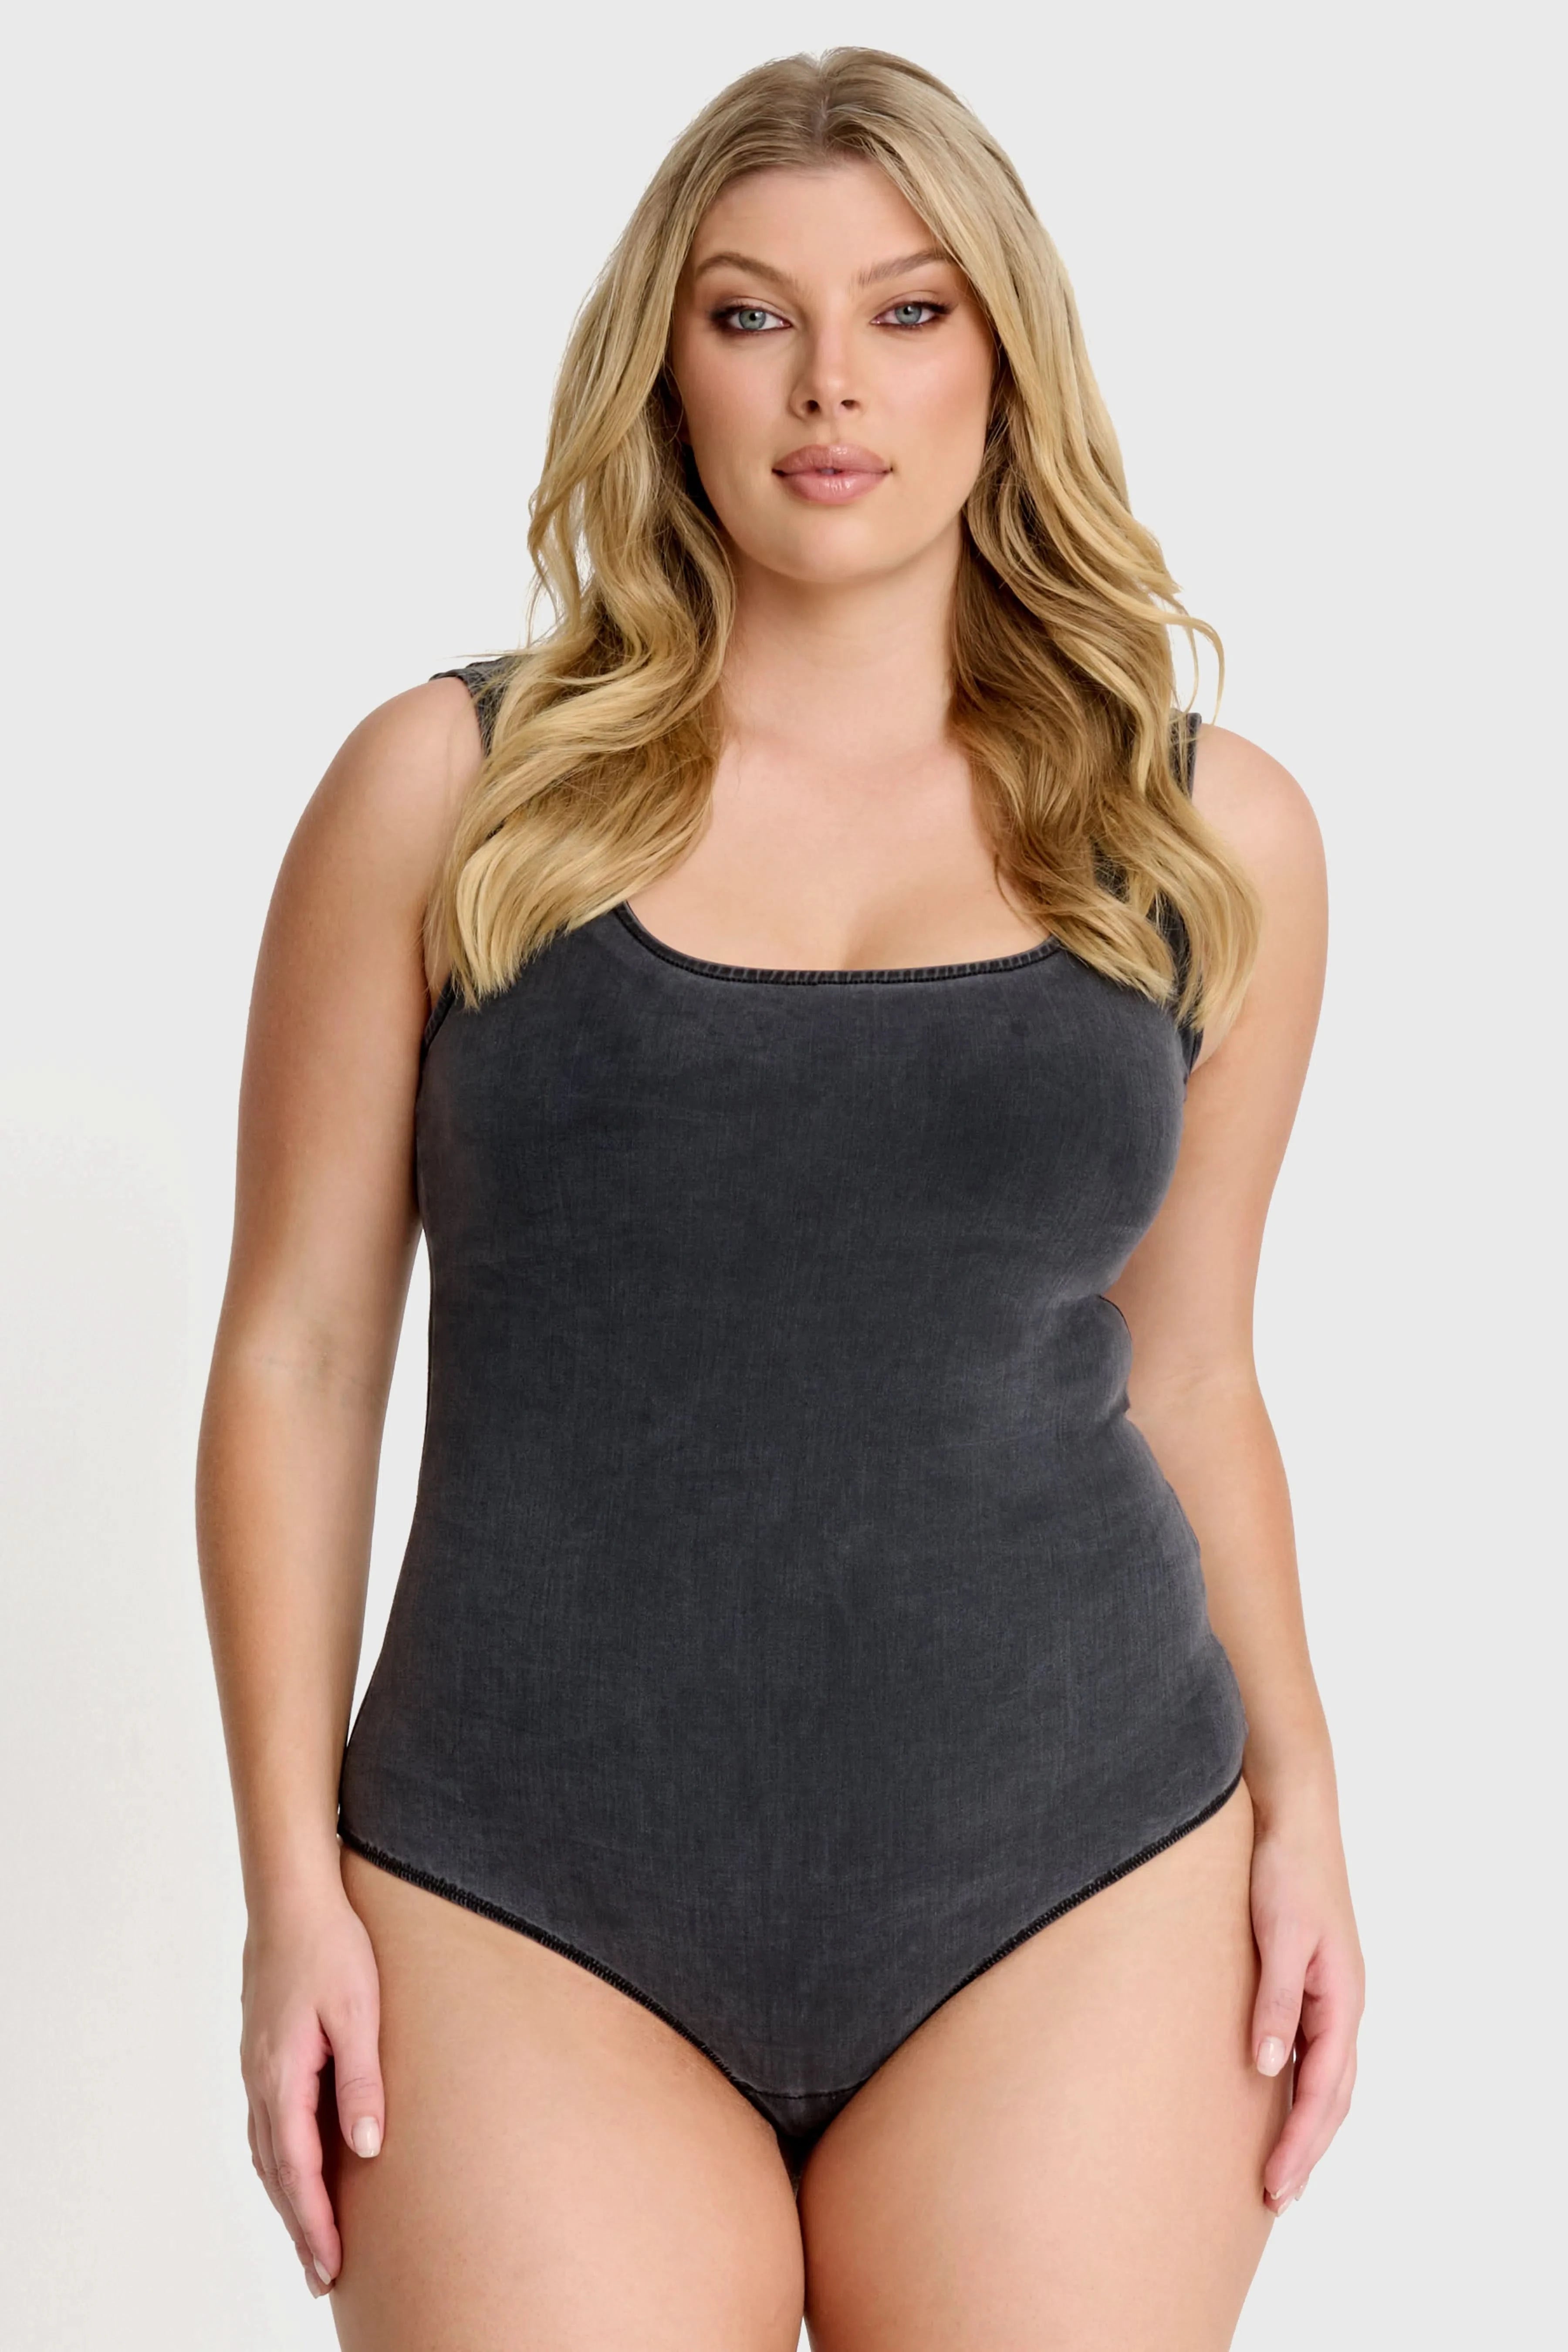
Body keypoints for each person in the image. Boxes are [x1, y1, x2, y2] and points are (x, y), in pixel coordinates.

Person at [196, 46, 1363, 2351]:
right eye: (752, 316)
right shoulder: (446, 793)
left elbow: (1197, 1369)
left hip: (1084, 1871)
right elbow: (301, 1351)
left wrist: (1309, 1807)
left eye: (909, 312)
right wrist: (287, 1888)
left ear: (1006, 362)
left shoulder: (1209, 837)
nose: (832, 383)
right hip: (518, 1892)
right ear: (668, 368)